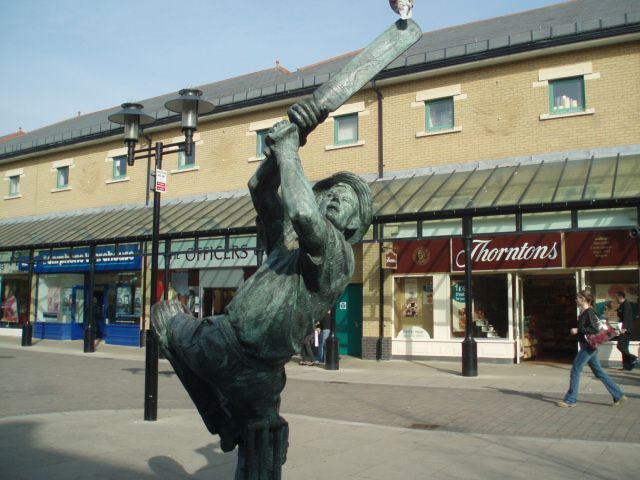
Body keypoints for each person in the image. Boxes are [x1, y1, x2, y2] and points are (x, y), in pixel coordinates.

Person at [151, 97, 373, 454]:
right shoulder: (284, 256)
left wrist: (288, 149)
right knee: (263, 436)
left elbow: (302, 213)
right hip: (259, 373)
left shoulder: (337, 253)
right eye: (330, 193)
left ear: (354, 223)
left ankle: (222, 417)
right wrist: (287, 144)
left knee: (166, 317)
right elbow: (260, 189)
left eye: (344, 199)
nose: (333, 199)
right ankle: (227, 421)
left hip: (230, 349)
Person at [557, 289, 626, 408]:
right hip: (590, 345)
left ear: (583, 299)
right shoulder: (585, 311)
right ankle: (618, 395)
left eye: (577, 298)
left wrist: (578, 330)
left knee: (575, 370)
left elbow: (594, 329)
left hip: (588, 346)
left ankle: (571, 399)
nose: (575, 300)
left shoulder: (588, 312)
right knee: (599, 372)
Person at [615, 291, 637, 371]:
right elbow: (621, 315)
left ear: (620, 297)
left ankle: (633, 357)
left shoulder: (626, 305)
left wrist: (624, 328)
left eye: (616, 297)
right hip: (624, 328)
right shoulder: (622, 305)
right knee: (624, 347)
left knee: (620, 346)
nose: (615, 299)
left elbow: (627, 318)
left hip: (626, 329)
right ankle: (627, 366)